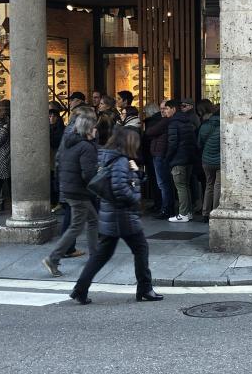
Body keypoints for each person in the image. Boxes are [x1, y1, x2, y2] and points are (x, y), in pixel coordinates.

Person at [70, 128, 162, 305]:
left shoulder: (107, 157)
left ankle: (80, 290)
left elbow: (119, 183)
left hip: (110, 215)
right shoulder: (120, 161)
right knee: (141, 249)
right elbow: (121, 189)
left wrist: (136, 174)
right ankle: (145, 288)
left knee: (100, 255)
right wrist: (136, 195)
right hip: (123, 216)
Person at [44, 113, 99, 277]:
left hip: (69, 188)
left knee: (92, 220)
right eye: (95, 127)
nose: (97, 130)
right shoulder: (86, 147)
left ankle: (95, 255)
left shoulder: (70, 142)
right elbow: (88, 174)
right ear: (89, 129)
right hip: (79, 191)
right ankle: (53, 258)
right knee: (76, 226)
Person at [165, 99, 197, 222]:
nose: (166, 111)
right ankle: (188, 212)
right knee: (185, 186)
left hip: (178, 159)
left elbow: (172, 143)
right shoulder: (186, 121)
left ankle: (183, 213)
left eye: (167, 108)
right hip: (188, 158)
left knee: (181, 187)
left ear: (173, 109)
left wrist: (168, 158)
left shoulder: (174, 123)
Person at [146, 101, 174, 219]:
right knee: (164, 183)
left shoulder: (165, 121)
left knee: (163, 184)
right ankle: (167, 208)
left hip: (160, 155)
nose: (163, 111)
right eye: (161, 109)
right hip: (160, 154)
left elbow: (150, 132)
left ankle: (166, 209)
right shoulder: (165, 120)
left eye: (165, 108)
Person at [197, 100, 221, 222]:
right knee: (218, 186)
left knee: (209, 185)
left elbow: (199, 143)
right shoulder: (223, 127)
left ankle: (205, 212)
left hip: (206, 160)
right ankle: (215, 211)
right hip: (219, 161)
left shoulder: (204, 126)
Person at [49, 107, 65, 210]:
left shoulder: (60, 128)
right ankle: (53, 201)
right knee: (51, 180)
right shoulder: (47, 127)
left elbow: (56, 142)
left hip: (56, 157)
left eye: (53, 116)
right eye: (49, 116)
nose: (51, 118)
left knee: (56, 180)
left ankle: (59, 201)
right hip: (49, 158)